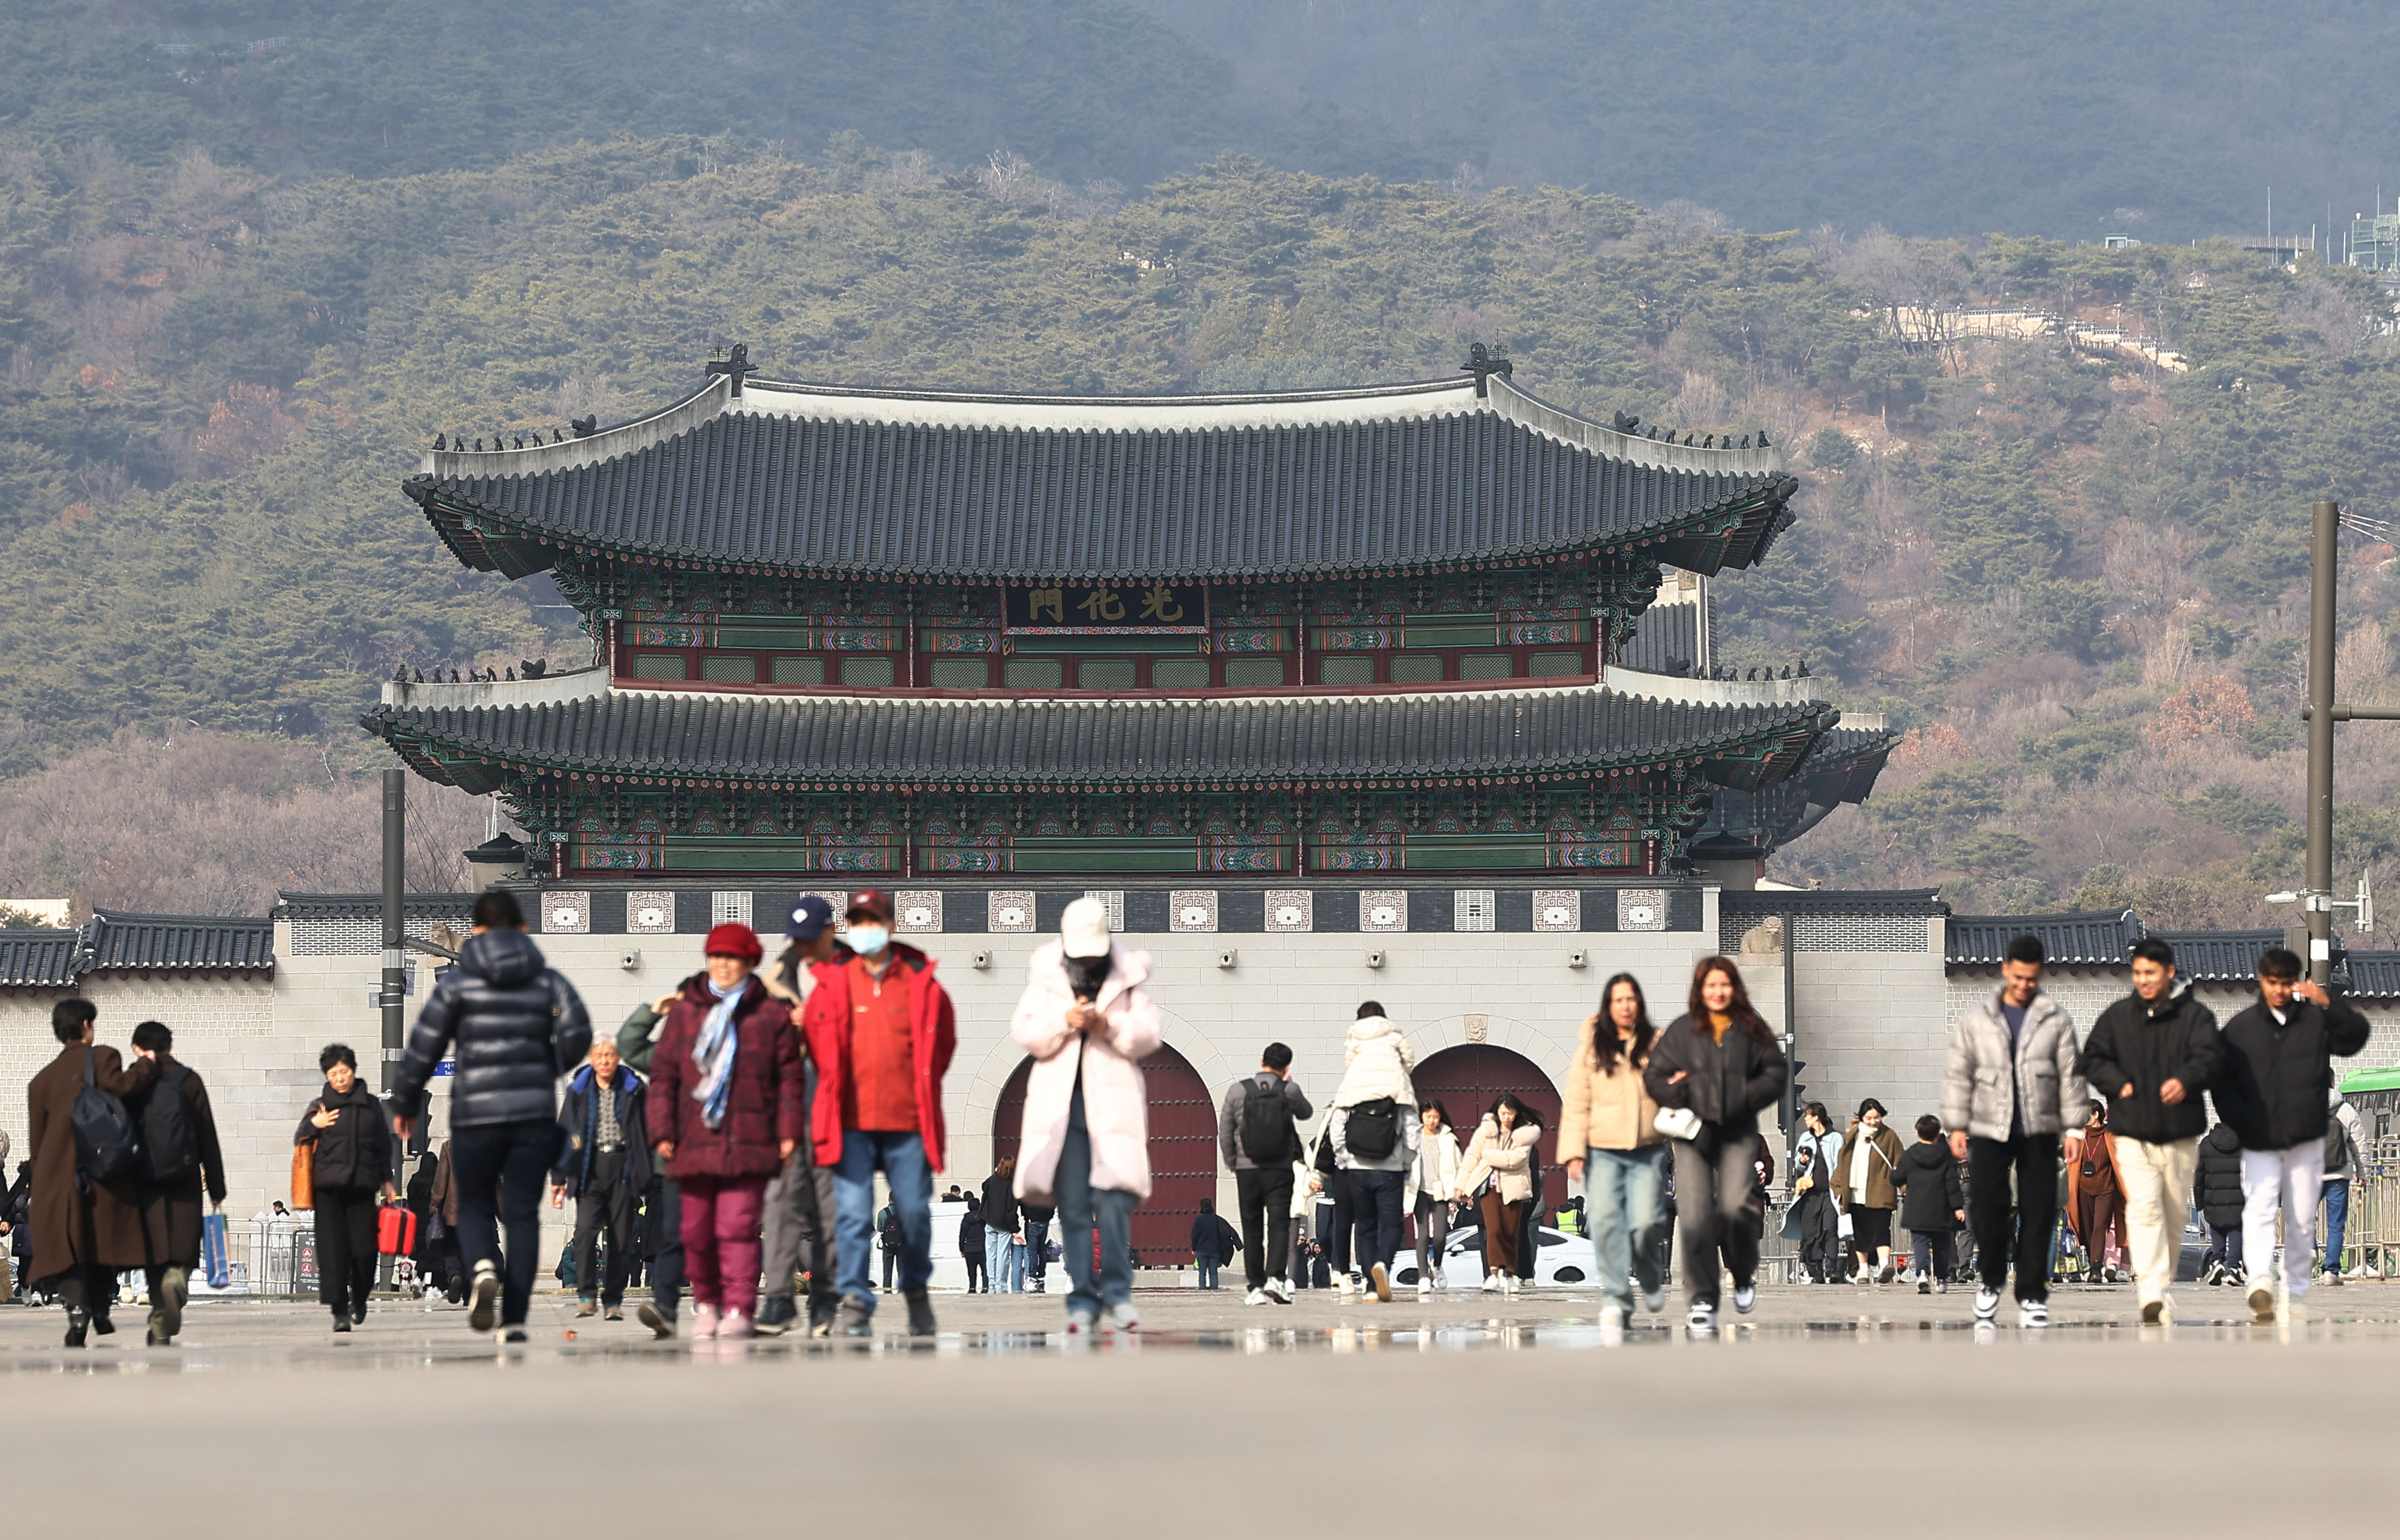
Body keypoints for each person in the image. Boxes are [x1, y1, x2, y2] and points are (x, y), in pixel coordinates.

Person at [391, 888, 593, 1343]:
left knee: (477, 1203)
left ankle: (481, 1266)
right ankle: (515, 1317)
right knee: (520, 1214)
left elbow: (425, 1043)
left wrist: (404, 1100)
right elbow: (578, 1035)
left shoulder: (460, 983)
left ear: (478, 933)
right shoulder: (548, 980)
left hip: (475, 1114)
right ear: (522, 930)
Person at [800, 888, 958, 1339]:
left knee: (913, 1213)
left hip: (906, 1122)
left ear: (890, 924)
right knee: (852, 1216)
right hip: (849, 1123)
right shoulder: (833, 982)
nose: (866, 929)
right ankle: (855, 1301)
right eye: (858, 921)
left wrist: (920, 1083)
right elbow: (814, 1041)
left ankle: (915, 1293)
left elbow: (942, 1044)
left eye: (874, 920)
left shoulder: (919, 980)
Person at [1009, 896, 1163, 1334]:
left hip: (1111, 1103)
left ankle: (1117, 1293)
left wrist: (1107, 1027)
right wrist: (1065, 1018)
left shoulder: (1129, 978)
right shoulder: (1047, 977)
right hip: (1063, 1106)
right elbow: (1026, 1031)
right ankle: (1082, 1299)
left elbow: (1149, 1035)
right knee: (1074, 1205)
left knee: (1113, 1200)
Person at [646, 921, 803, 1340]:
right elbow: (662, 1075)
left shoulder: (770, 1014)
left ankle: (738, 1307)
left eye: (731, 958)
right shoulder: (685, 1012)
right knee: (695, 1231)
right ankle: (708, 1303)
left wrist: (788, 1131)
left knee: (737, 1227)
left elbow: (789, 1079)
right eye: (716, 956)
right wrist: (661, 1129)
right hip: (692, 1141)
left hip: (749, 1140)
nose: (723, 965)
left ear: (749, 962)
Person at [2210, 945, 2369, 1323]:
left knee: (2301, 1218)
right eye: (2272, 983)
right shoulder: (2242, 1028)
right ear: (2262, 982)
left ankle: (2295, 1290)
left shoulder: (2314, 1021)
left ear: (2295, 984)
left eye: (2286, 984)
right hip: (2260, 1136)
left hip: (2306, 1135)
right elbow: (2222, 1083)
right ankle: (2261, 1279)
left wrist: (2327, 1001)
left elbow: (2355, 1037)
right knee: (2261, 1207)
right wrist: (2242, 1121)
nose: (2279, 991)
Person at [1942, 932, 2087, 1326]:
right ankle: (1989, 1281)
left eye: (2032, 978)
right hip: (1989, 1126)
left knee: (2039, 1212)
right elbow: (1959, 1074)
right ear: (2007, 970)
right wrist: (1955, 1124)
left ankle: (2033, 1293)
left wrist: (2075, 1128)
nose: (2024, 985)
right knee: (1989, 1206)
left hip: (2040, 1127)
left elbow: (2071, 1076)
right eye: (2018, 977)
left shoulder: (2055, 1020)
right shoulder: (1977, 1020)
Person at [2076, 936, 2221, 1325]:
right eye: (2138, 973)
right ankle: (2150, 1289)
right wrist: (2117, 1083)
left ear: (2168, 972)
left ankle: (2162, 1281)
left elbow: (2211, 1057)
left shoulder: (2195, 1017)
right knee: (2143, 1207)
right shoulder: (2119, 1016)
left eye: (2151, 973)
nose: (2143, 980)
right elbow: (2093, 1058)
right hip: (2132, 1131)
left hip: (2179, 1132)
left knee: (2173, 1212)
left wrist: (2187, 1080)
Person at [1642, 956, 1789, 1336]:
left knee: (1736, 1207)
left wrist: (1742, 1093)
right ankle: (1702, 1300)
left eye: (1724, 984)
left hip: (1737, 1132)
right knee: (1694, 1217)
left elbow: (1776, 1073)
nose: (1718, 992)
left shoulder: (1750, 1028)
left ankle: (1742, 1275)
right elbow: (1654, 1076)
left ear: (1734, 987)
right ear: (1700, 989)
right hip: (1691, 1135)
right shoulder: (1682, 1030)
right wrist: (1680, 1090)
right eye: (1710, 985)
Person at [26, 998, 158, 1344]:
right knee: (101, 1243)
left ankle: (78, 1313)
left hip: (58, 1180)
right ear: (86, 1025)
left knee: (69, 1248)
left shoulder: (40, 1082)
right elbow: (123, 1087)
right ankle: (99, 1308)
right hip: (102, 1173)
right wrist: (146, 1065)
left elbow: (36, 1145)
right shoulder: (102, 1057)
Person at [756, 894, 847, 1335]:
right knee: (779, 1205)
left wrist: (815, 1021)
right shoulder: (777, 978)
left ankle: (825, 1298)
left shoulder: (853, 974)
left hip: (836, 1112)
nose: (804, 947)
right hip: (788, 1113)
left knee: (830, 1211)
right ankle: (778, 1299)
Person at [1559, 972, 1668, 1331]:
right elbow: (1576, 1103)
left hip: (1647, 1150)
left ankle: (1651, 1276)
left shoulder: (1656, 1045)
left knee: (1645, 1223)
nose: (1625, 1005)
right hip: (1603, 1150)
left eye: (1631, 998)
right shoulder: (1590, 1051)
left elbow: (1677, 1089)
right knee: (1605, 1222)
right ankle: (1617, 1298)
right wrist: (1574, 1151)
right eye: (1618, 999)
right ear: (1608, 1006)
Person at [125, 1020, 226, 1345]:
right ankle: (176, 1290)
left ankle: (159, 1319)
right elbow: (207, 1136)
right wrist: (217, 1188)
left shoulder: (132, 1082)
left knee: (154, 1252)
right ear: (170, 1046)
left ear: (138, 1049)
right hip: (185, 1180)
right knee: (181, 1250)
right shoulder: (189, 1080)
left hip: (143, 1180)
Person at [295, 1043, 396, 1333]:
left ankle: (360, 1299)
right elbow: (300, 1138)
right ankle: (339, 1311)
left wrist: (387, 1180)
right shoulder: (320, 1106)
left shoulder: (371, 1105)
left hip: (363, 1187)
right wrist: (315, 1124)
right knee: (333, 1252)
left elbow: (382, 1144)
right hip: (327, 1190)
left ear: (353, 1071)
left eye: (344, 1071)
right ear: (327, 1076)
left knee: (365, 1250)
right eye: (334, 1073)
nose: (340, 1078)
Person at [550, 1037, 649, 1322]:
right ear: (592, 1060)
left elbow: (649, 1127)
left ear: (617, 1058)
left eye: (610, 1055)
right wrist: (559, 1176)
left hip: (623, 1166)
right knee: (584, 1233)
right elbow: (563, 1132)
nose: (605, 1060)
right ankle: (587, 1295)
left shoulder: (633, 1089)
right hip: (589, 1167)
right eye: (599, 1055)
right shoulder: (579, 1091)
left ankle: (614, 1300)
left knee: (621, 1239)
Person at [1328, 1001, 1420, 1304]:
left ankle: (1370, 1286)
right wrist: (1406, 1160)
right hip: (1390, 1165)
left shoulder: (1352, 1066)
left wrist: (1344, 1155)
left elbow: (1338, 1120)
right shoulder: (1397, 1048)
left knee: (1364, 1227)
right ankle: (1382, 1264)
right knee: (1391, 1226)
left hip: (1356, 1166)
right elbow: (1411, 1125)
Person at [1219, 1041, 1312, 1305]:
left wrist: (1233, 1162)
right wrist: (1289, 1085)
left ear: (1262, 1062)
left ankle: (1255, 1288)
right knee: (1279, 1224)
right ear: (1286, 1067)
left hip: (1247, 1169)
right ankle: (1276, 1279)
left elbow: (1225, 1130)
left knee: (1252, 1227)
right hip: (1280, 1169)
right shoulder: (1288, 1088)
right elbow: (1306, 1113)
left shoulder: (1238, 1090)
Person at [1456, 1095, 1540, 1297]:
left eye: (1510, 1112)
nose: (1507, 1116)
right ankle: (1493, 1274)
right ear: (1497, 1112)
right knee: (1493, 1231)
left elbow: (1516, 1159)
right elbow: (1471, 1157)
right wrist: (1461, 1186)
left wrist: (1489, 1156)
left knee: (1510, 1233)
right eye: (1503, 1112)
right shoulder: (1485, 1132)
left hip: (1513, 1188)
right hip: (1489, 1189)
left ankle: (1510, 1274)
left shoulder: (1524, 1135)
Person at [1892, 1114, 1964, 1294]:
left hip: (1917, 1208)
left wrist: (1894, 1173)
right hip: (1941, 1209)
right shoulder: (1947, 1155)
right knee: (1942, 1244)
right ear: (1939, 1134)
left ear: (1917, 1133)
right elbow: (1952, 1183)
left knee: (1920, 1243)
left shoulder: (1910, 1154)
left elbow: (1897, 1178)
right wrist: (1957, 1207)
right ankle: (1941, 1278)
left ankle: (1922, 1273)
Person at [1838, 1099, 1903, 1286]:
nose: (1873, 1122)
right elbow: (1842, 1164)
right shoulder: (1852, 1136)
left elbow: (1900, 1162)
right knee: (1861, 1233)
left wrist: (1905, 1188)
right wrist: (1838, 1188)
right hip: (1856, 1192)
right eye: (1869, 1118)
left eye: (1877, 1117)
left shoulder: (1889, 1136)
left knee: (1882, 1229)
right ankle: (1863, 1269)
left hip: (1881, 1190)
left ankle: (1884, 1266)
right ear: (1861, 1117)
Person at [2065, 1102, 2122, 1282]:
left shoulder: (2111, 1136)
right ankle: (2092, 1264)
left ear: (2096, 1115)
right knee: (2087, 1228)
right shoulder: (2080, 1136)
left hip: (2106, 1189)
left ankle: (2097, 1267)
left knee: (2100, 1227)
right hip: (2083, 1189)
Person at [1790, 1103, 1844, 1284]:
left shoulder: (1836, 1138)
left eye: (1808, 1115)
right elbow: (1798, 1165)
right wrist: (1803, 1161)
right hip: (1809, 1193)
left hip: (1830, 1192)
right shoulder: (1806, 1138)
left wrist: (1842, 1190)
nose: (1805, 1118)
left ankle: (1832, 1268)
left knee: (1830, 1228)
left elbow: (1841, 1165)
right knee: (1811, 1230)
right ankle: (1816, 1269)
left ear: (1817, 1117)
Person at [1411, 1101, 1461, 1297]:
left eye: (1436, 1117)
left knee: (1440, 1236)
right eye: (1428, 1116)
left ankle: (1437, 1265)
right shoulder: (1413, 1137)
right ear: (1422, 1116)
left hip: (1441, 1192)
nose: (1432, 1121)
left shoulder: (1447, 1138)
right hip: (1419, 1191)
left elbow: (1459, 1163)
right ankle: (1424, 1276)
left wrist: (1460, 1188)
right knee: (1423, 1236)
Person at [2321, 1086, 2365, 1286]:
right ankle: (2331, 1272)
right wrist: (2363, 1173)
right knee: (2336, 1224)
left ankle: (2309, 1254)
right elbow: (2359, 1145)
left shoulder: (2303, 1106)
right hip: (2339, 1173)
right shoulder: (2346, 1110)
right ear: (2332, 1082)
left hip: (2310, 1173)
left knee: (2304, 1220)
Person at [2192, 1121, 2245, 1285]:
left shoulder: (2207, 1144)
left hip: (2213, 1199)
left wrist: (2199, 1201)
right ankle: (2234, 1269)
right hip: (2238, 1198)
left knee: (2217, 1228)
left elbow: (2199, 1176)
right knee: (2236, 1229)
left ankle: (2217, 1262)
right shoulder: (2244, 1143)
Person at [980, 1159, 1021, 1294]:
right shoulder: (1012, 1185)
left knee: (990, 1255)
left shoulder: (992, 1180)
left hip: (989, 1221)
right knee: (1002, 1255)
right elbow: (1011, 1209)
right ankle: (1000, 1284)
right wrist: (1014, 1228)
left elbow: (984, 1188)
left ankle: (991, 1283)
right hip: (1003, 1224)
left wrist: (996, 1173)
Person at [1019, 1196, 1054, 1293]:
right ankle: (1041, 1276)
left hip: (1032, 1221)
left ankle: (1033, 1277)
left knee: (1032, 1251)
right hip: (1045, 1220)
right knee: (1042, 1249)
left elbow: (1023, 1201)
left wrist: (1026, 1215)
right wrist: (1049, 1215)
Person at [1190, 1197, 1225, 1289]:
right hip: (1215, 1250)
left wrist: (1194, 1248)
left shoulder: (1198, 1220)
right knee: (1213, 1272)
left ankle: (1203, 1289)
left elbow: (1195, 1235)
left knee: (1202, 1273)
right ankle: (1214, 1289)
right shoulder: (1216, 1219)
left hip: (1202, 1250)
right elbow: (1221, 1235)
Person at [959, 1187, 986, 1292]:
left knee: (971, 1271)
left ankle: (972, 1288)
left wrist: (962, 1249)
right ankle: (985, 1287)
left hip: (969, 1249)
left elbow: (962, 1235)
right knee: (984, 1270)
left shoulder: (966, 1219)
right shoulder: (982, 1219)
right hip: (981, 1248)